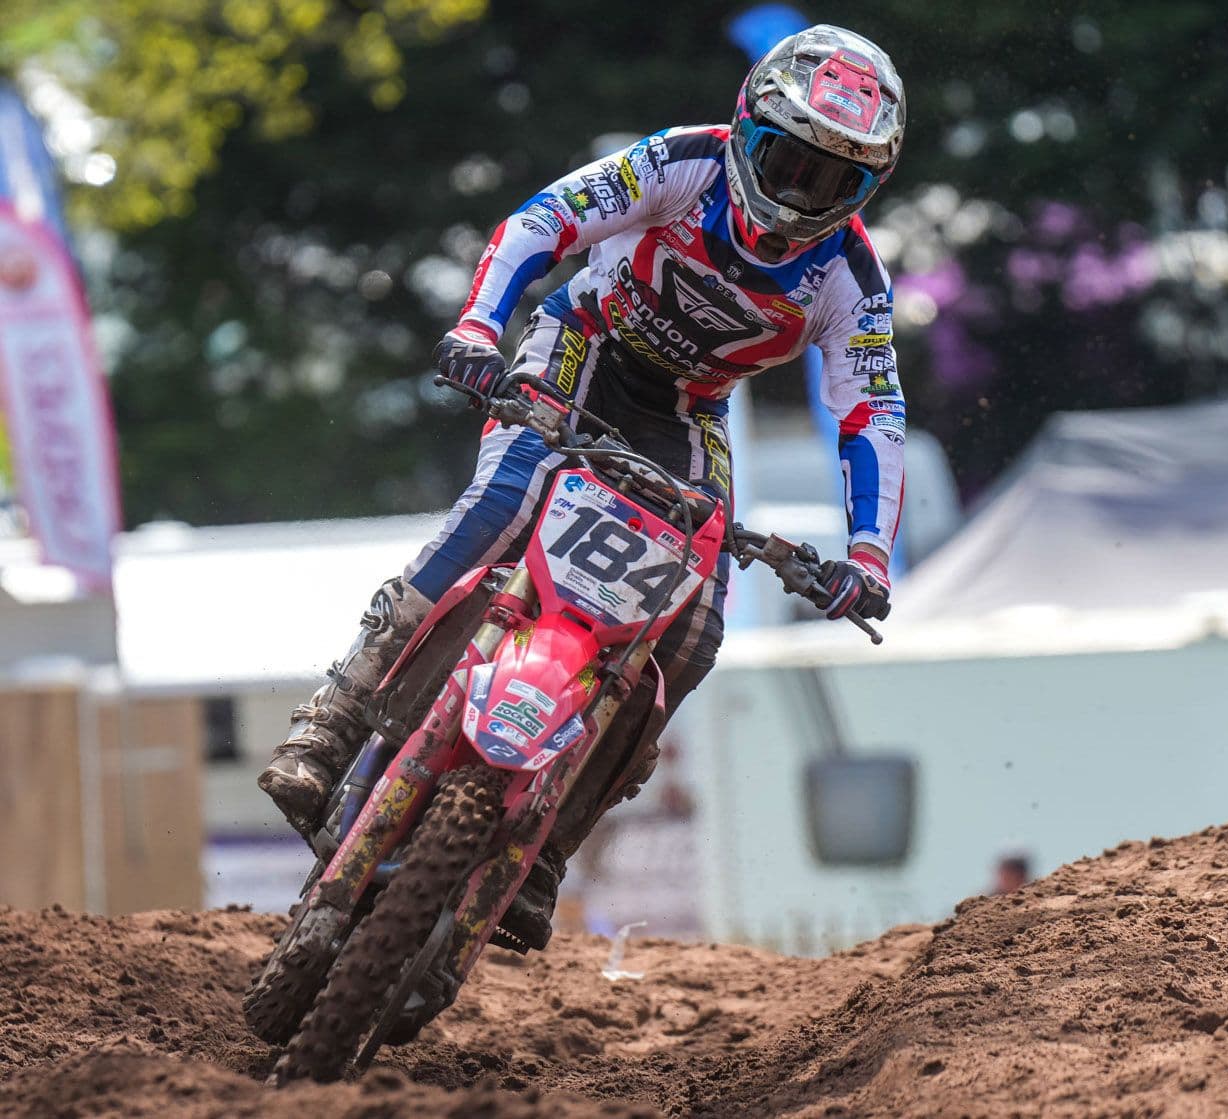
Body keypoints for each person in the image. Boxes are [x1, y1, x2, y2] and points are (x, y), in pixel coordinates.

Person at [257, 24, 907, 946]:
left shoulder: (852, 279)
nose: (802, 192)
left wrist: (868, 557)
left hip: (686, 413)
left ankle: (550, 844)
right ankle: (336, 715)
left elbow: (870, 411)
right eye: (788, 162)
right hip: (581, 349)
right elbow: (542, 221)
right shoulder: (681, 163)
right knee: (502, 505)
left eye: (833, 180)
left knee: (693, 631)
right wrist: (479, 329)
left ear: (865, 190)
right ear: (746, 128)